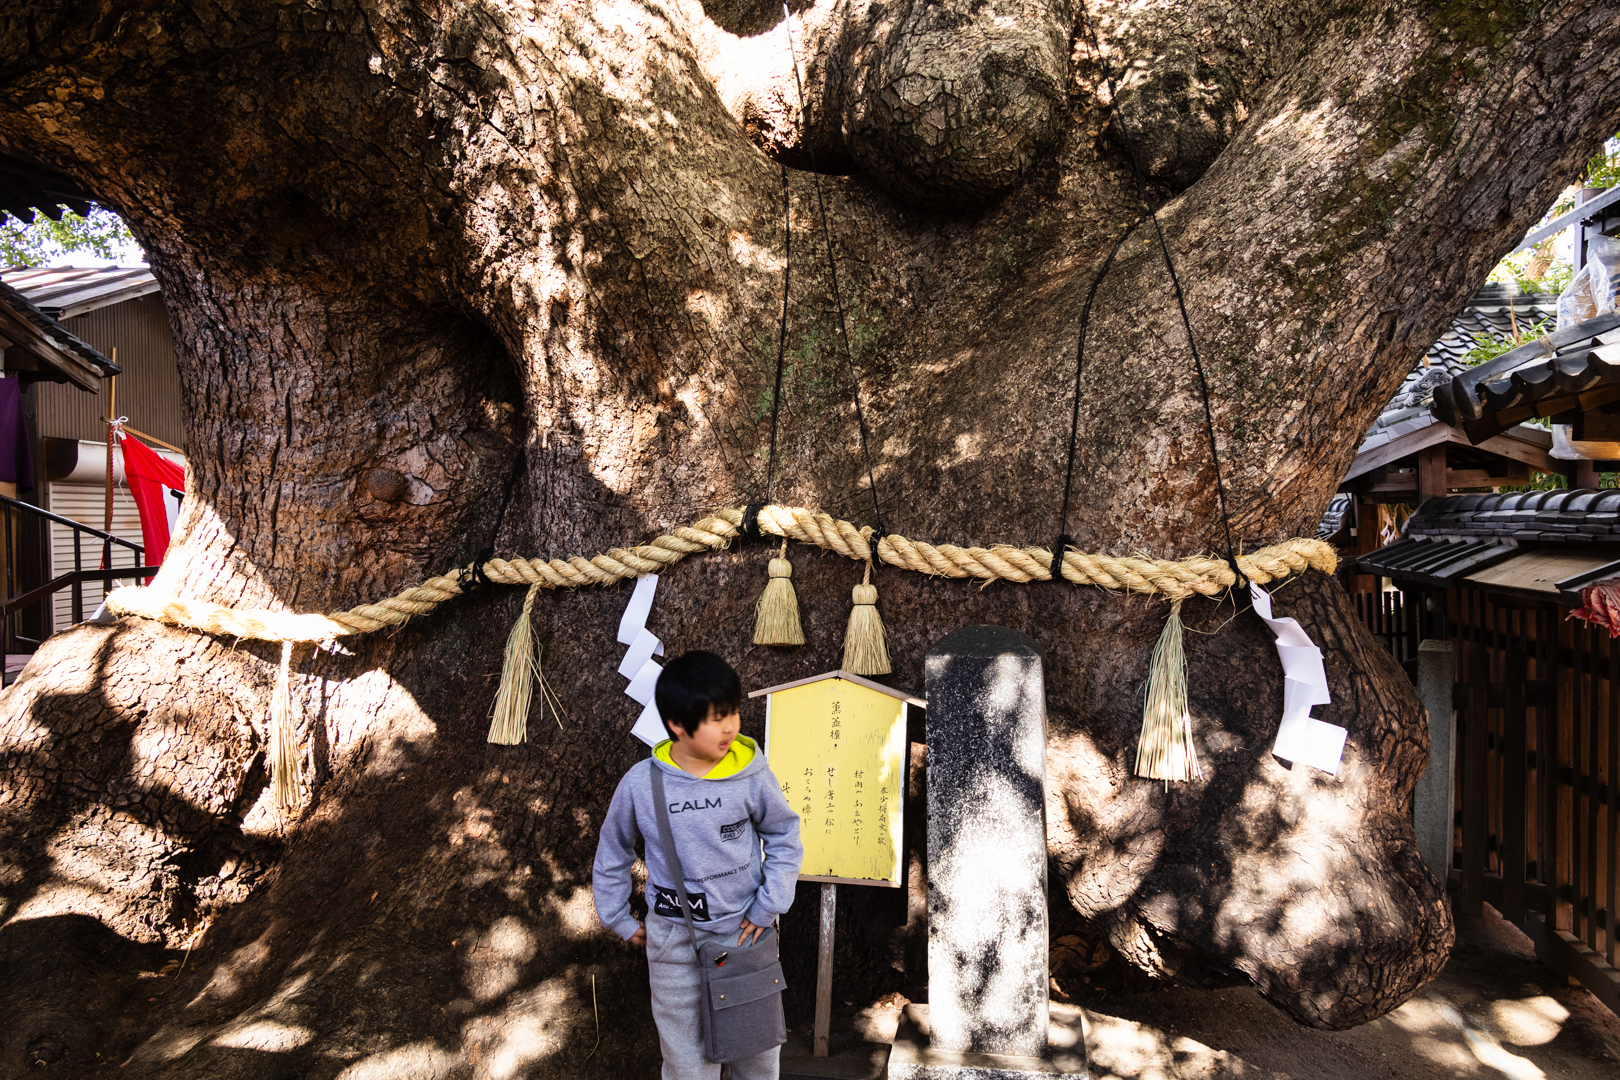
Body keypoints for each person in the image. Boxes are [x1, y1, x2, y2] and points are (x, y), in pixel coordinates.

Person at [593, 650, 803, 1080]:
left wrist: (769, 905)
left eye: (733, 713)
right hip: (673, 945)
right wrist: (618, 918)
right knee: (687, 1067)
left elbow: (784, 834)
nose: (730, 727)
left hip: (745, 934)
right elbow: (613, 849)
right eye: (715, 718)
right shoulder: (641, 784)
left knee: (757, 1060)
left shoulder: (751, 775)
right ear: (677, 724)